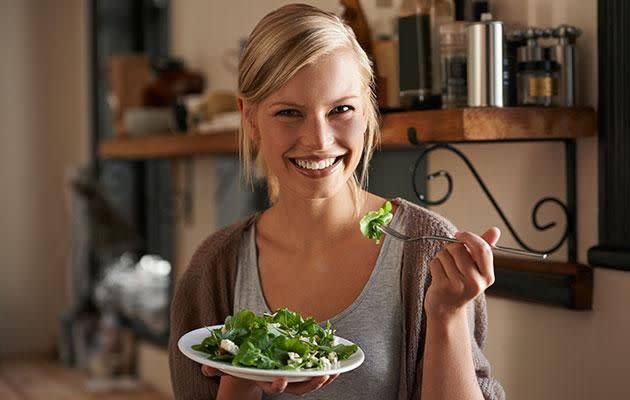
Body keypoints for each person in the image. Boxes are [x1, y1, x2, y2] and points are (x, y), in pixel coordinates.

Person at [168, 4, 505, 400]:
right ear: (251, 118)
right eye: (290, 113)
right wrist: (240, 373)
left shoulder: (427, 250)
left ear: (367, 112)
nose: (319, 140)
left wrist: (446, 315)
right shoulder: (214, 269)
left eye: (341, 109)